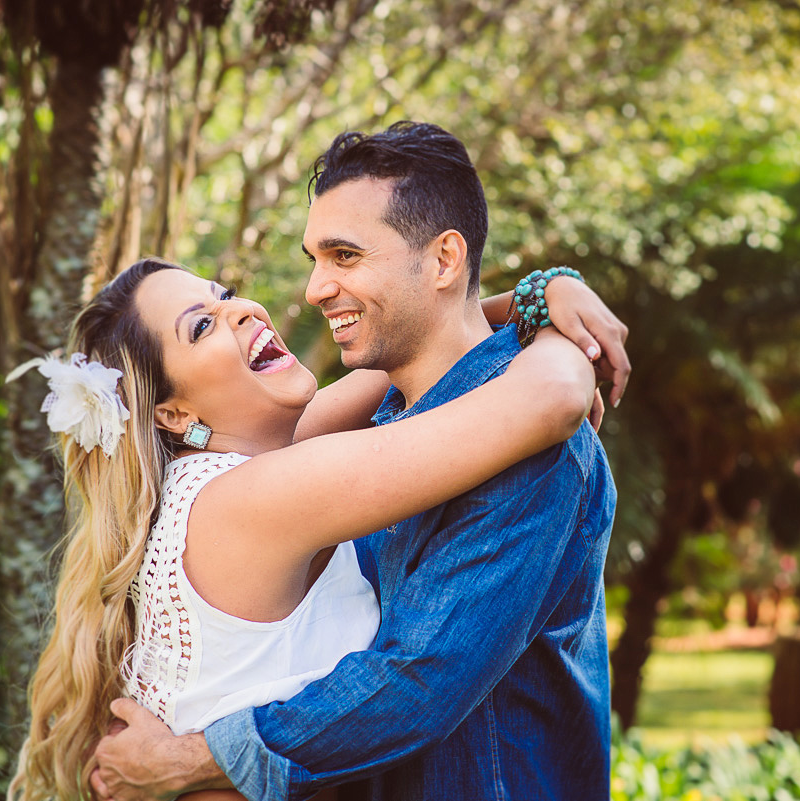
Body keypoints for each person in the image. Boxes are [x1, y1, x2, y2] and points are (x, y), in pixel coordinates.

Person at [90, 122, 626, 801]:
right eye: (316, 257)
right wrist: (539, 296)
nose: (315, 288)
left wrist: (191, 760)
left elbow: (417, 682)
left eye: (344, 256)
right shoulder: (374, 431)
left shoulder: (533, 454)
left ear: (443, 260)